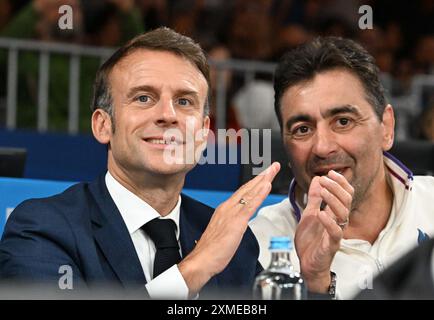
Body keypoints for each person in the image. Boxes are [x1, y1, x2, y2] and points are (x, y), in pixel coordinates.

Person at [0, 27, 281, 299]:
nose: (168, 115)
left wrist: (317, 281)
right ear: (103, 125)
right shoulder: (42, 228)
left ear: (203, 132)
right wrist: (195, 268)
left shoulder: (233, 241)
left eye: (184, 102)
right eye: (144, 97)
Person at [249, 36, 434, 299]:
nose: (322, 147)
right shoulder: (257, 247)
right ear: (286, 147)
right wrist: (314, 284)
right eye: (302, 129)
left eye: (343, 121)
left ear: (387, 128)